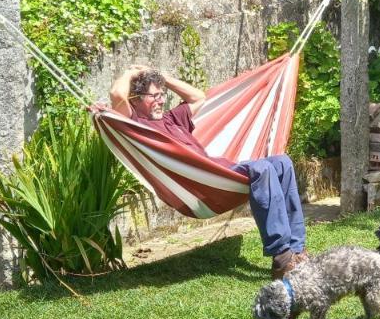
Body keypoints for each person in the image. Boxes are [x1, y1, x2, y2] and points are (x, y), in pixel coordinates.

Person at [91, 65, 308, 279]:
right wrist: (131, 72)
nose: (161, 100)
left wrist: (164, 77)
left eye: (161, 94)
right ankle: (281, 256)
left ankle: (297, 251)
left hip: (222, 173)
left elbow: (198, 97)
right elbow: (116, 94)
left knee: (282, 162)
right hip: (203, 187)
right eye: (153, 96)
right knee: (263, 169)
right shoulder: (136, 124)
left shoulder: (171, 118)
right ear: (135, 100)